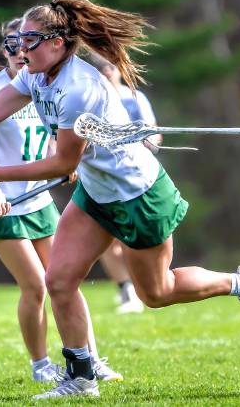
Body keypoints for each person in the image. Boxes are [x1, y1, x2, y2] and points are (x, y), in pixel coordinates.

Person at [0, 0, 240, 399]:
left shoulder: (80, 88)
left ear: (58, 43)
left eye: (30, 41)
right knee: (58, 281)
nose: (20, 49)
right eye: (19, 41)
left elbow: (63, 163)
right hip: (96, 195)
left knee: (157, 293)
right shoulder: (33, 74)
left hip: (137, 194)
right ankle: (81, 378)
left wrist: (0, 173)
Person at [0, 18, 122, 382]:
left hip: (37, 198)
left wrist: (65, 163)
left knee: (64, 281)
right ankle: (40, 365)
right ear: (3, 51)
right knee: (35, 285)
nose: (20, 50)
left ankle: (90, 359)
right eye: (11, 44)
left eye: (26, 42)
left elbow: (53, 136)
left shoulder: (41, 84)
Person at [97, 58, 162, 314]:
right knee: (109, 242)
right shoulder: (93, 99)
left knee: (134, 239)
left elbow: (153, 132)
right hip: (105, 179)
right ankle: (126, 290)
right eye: (101, 69)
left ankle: (146, 287)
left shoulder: (134, 97)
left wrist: (150, 142)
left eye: (110, 68)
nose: (107, 73)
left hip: (135, 177)